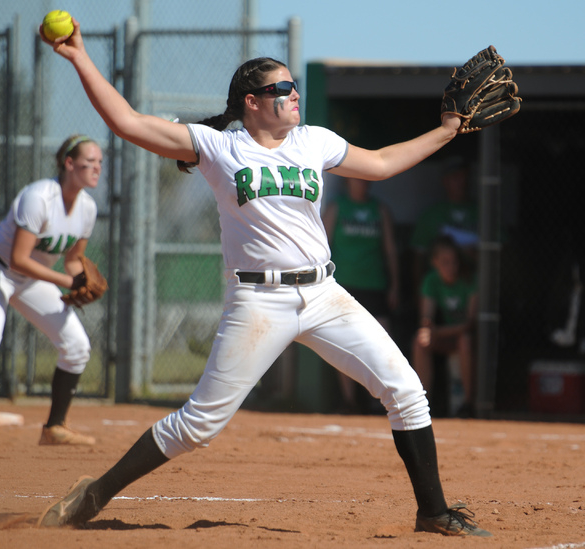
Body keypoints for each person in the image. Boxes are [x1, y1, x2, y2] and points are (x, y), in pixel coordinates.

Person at [36, 19, 491, 537]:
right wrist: (78, 57)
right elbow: (126, 122)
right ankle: (94, 494)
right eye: (283, 88)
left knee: (406, 389)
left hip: (323, 293)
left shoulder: (314, 142)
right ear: (251, 101)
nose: (295, 94)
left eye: (295, 85)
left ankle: (433, 513)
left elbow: (383, 164)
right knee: (198, 425)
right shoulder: (218, 147)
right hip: (258, 300)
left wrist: (449, 128)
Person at [0, 134, 103, 446]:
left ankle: (54, 428)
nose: (97, 168)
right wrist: (67, 282)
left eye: (100, 162)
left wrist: (82, 280)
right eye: (90, 162)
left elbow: (72, 259)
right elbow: (18, 258)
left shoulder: (87, 208)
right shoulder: (39, 197)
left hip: (31, 278)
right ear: (69, 163)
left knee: (76, 346)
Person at [322, 177, 399, 414]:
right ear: (348, 182)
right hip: (344, 284)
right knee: (345, 342)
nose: (363, 184)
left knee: (381, 341)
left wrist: (395, 284)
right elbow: (321, 244)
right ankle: (350, 401)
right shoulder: (337, 207)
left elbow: (390, 248)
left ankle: (379, 399)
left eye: (366, 181)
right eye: (358, 180)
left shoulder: (380, 210)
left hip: (374, 284)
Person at [412, 235, 478, 418]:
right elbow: (426, 320)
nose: (451, 267)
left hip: (466, 339)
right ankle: (422, 404)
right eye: (445, 262)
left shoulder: (470, 280)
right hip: (444, 337)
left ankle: (468, 404)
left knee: (464, 341)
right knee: (420, 341)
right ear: (434, 262)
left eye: (454, 262)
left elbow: (469, 325)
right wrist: (428, 330)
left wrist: (437, 331)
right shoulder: (431, 281)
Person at [410, 157, 478, 294]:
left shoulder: (484, 212)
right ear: (444, 181)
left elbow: (503, 254)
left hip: (474, 286)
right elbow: (418, 259)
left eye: (464, 176)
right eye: (455, 177)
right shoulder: (431, 215)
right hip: (440, 292)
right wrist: (418, 293)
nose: (461, 181)